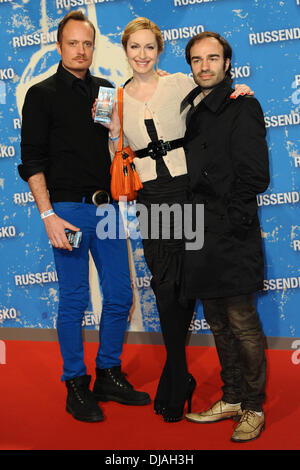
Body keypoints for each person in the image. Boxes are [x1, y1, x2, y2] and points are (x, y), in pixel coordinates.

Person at [99, 17, 253, 423]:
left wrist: (239, 92)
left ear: (160, 50)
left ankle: (193, 380)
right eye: (135, 48)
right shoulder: (115, 97)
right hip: (152, 201)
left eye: (150, 47)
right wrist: (114, 133)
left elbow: (216, 103)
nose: (143, 55)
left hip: (190, 195)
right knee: (165, 288)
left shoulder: (180, 84)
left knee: (194, 285)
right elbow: (117, 154)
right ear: (125, 50)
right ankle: (178, 371)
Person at [18, 10, 150, 423]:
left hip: (108, 208)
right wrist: (48, 216)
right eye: (73, 43)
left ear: (94, 47)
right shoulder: (41, 95)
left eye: (87, 43)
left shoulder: (107, 90)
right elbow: (32, 162)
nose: (80, 50)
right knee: (74, 299)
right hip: (68, 211)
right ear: (59, 47)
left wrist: (113, 131)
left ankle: (108, 372)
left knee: (120, 295)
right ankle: (75, 383)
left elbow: (112, 156)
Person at [182, 32, 269, 442]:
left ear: (227, 62)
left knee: (242, 323)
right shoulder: (195, 111)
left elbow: (256, 176)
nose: (204, 66)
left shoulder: (244, 107)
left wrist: (230, 223)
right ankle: (232, 397)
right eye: (197, 60)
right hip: (201, 234)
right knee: (217, 323)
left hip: (232, 234)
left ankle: (253, 406)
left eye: (213, 58)